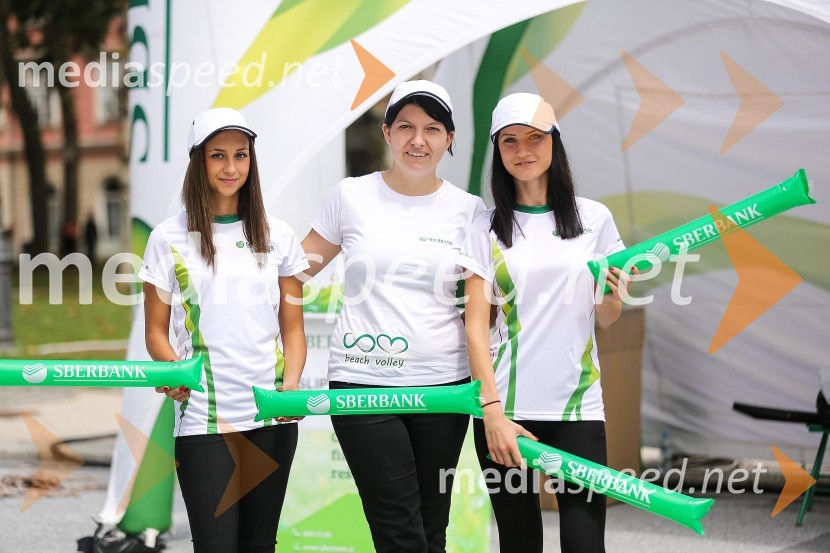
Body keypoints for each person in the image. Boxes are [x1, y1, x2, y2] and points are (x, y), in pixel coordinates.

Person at [301, 80, 485, 553]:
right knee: (398, 530)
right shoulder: (351, 196)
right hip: (363, 382)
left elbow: (484, 303)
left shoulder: (470, 211)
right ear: (386, 132)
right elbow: (293, 272)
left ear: (449, 138)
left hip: (443, 384)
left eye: (431, 128)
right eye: (405, 126)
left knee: (431, 527)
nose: (417, 140)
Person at [459, 93, 632, 553]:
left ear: (555, 141)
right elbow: (474, 324)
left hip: (578, 408)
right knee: (519, 544)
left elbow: (608, 319)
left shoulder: (594, 219)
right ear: (497, 150)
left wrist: (611, 294)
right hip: (507, 411)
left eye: (536, 138)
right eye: (510, 141)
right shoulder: (484, 227)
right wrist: (491, 412)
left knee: (584, 544)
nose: (524, 151)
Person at [140, 107, 308, 553]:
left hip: (271, 417)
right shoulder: (168, 238)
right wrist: (172, 370)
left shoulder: (278, 236)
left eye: (241, 155)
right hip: (203, 421)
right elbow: (155, 332)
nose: (231, 167)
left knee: (260, 546)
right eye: (218, 156)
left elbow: (292, 329)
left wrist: (290, 387)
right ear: (198, 162)